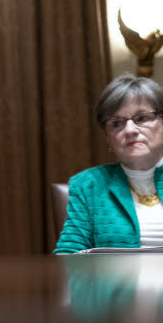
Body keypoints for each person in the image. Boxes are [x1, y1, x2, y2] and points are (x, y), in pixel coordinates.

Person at [55, 74, 163, 253]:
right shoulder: (88, 184)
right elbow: (68, 255)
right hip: (113, 282)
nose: (129, 130)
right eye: (116, 123)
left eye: (142, 118)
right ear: (107, 137)